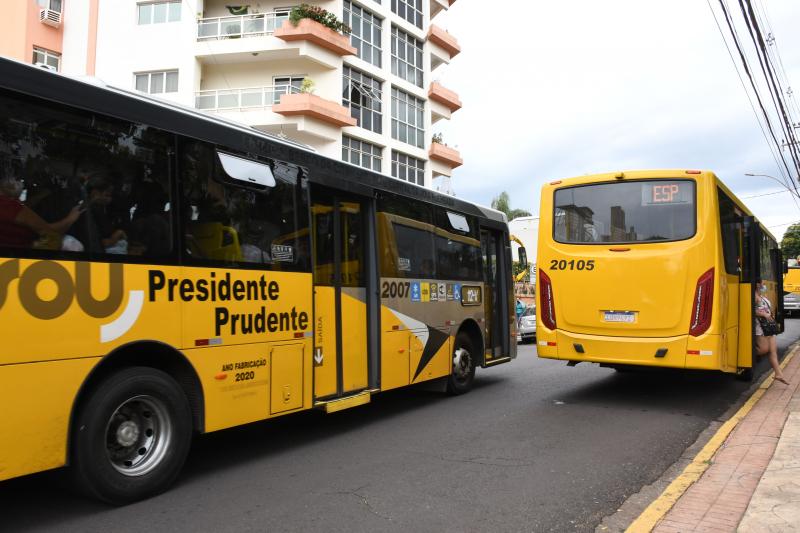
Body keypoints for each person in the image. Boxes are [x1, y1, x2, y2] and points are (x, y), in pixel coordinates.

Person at [0, 173, 83, 248]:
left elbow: (26, 206)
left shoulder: (12, 206)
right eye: (16, 180)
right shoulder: (10, 206)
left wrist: (44, 193)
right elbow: (50, 232)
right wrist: (70, 219)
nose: (20, 183)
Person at [754, 279, 789, 385]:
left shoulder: (763, 296)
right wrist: (764, 315)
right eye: (762, 283)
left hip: (769, 327)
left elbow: (767, 309)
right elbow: (750, 309)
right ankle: (745, 355)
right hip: (761, 326)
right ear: (757, 284)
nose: (764, 285)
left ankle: (779, 374)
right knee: (764, 349)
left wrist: (770, 315)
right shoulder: (754, 296)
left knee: (773, 351)